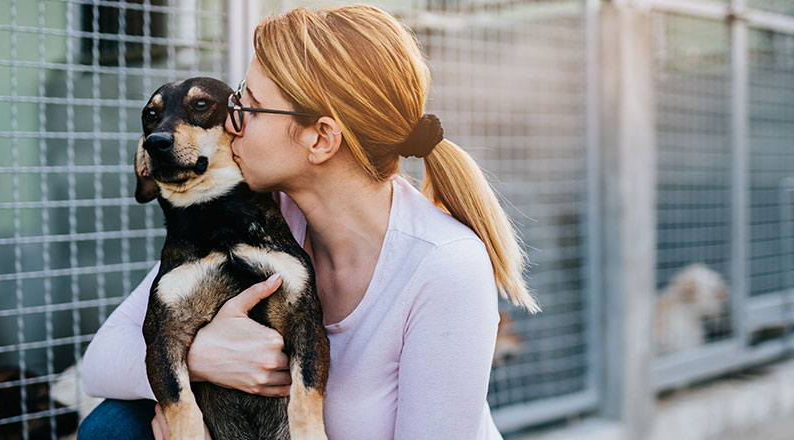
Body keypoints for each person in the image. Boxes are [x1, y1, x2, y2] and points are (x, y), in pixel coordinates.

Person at [77, 5, 539, 440]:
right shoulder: (265, 213)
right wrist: (203, 357)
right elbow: (99, 362)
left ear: (320, 139)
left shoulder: (443, 265)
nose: (231, 124)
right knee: (115, 423)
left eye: (250, 107)